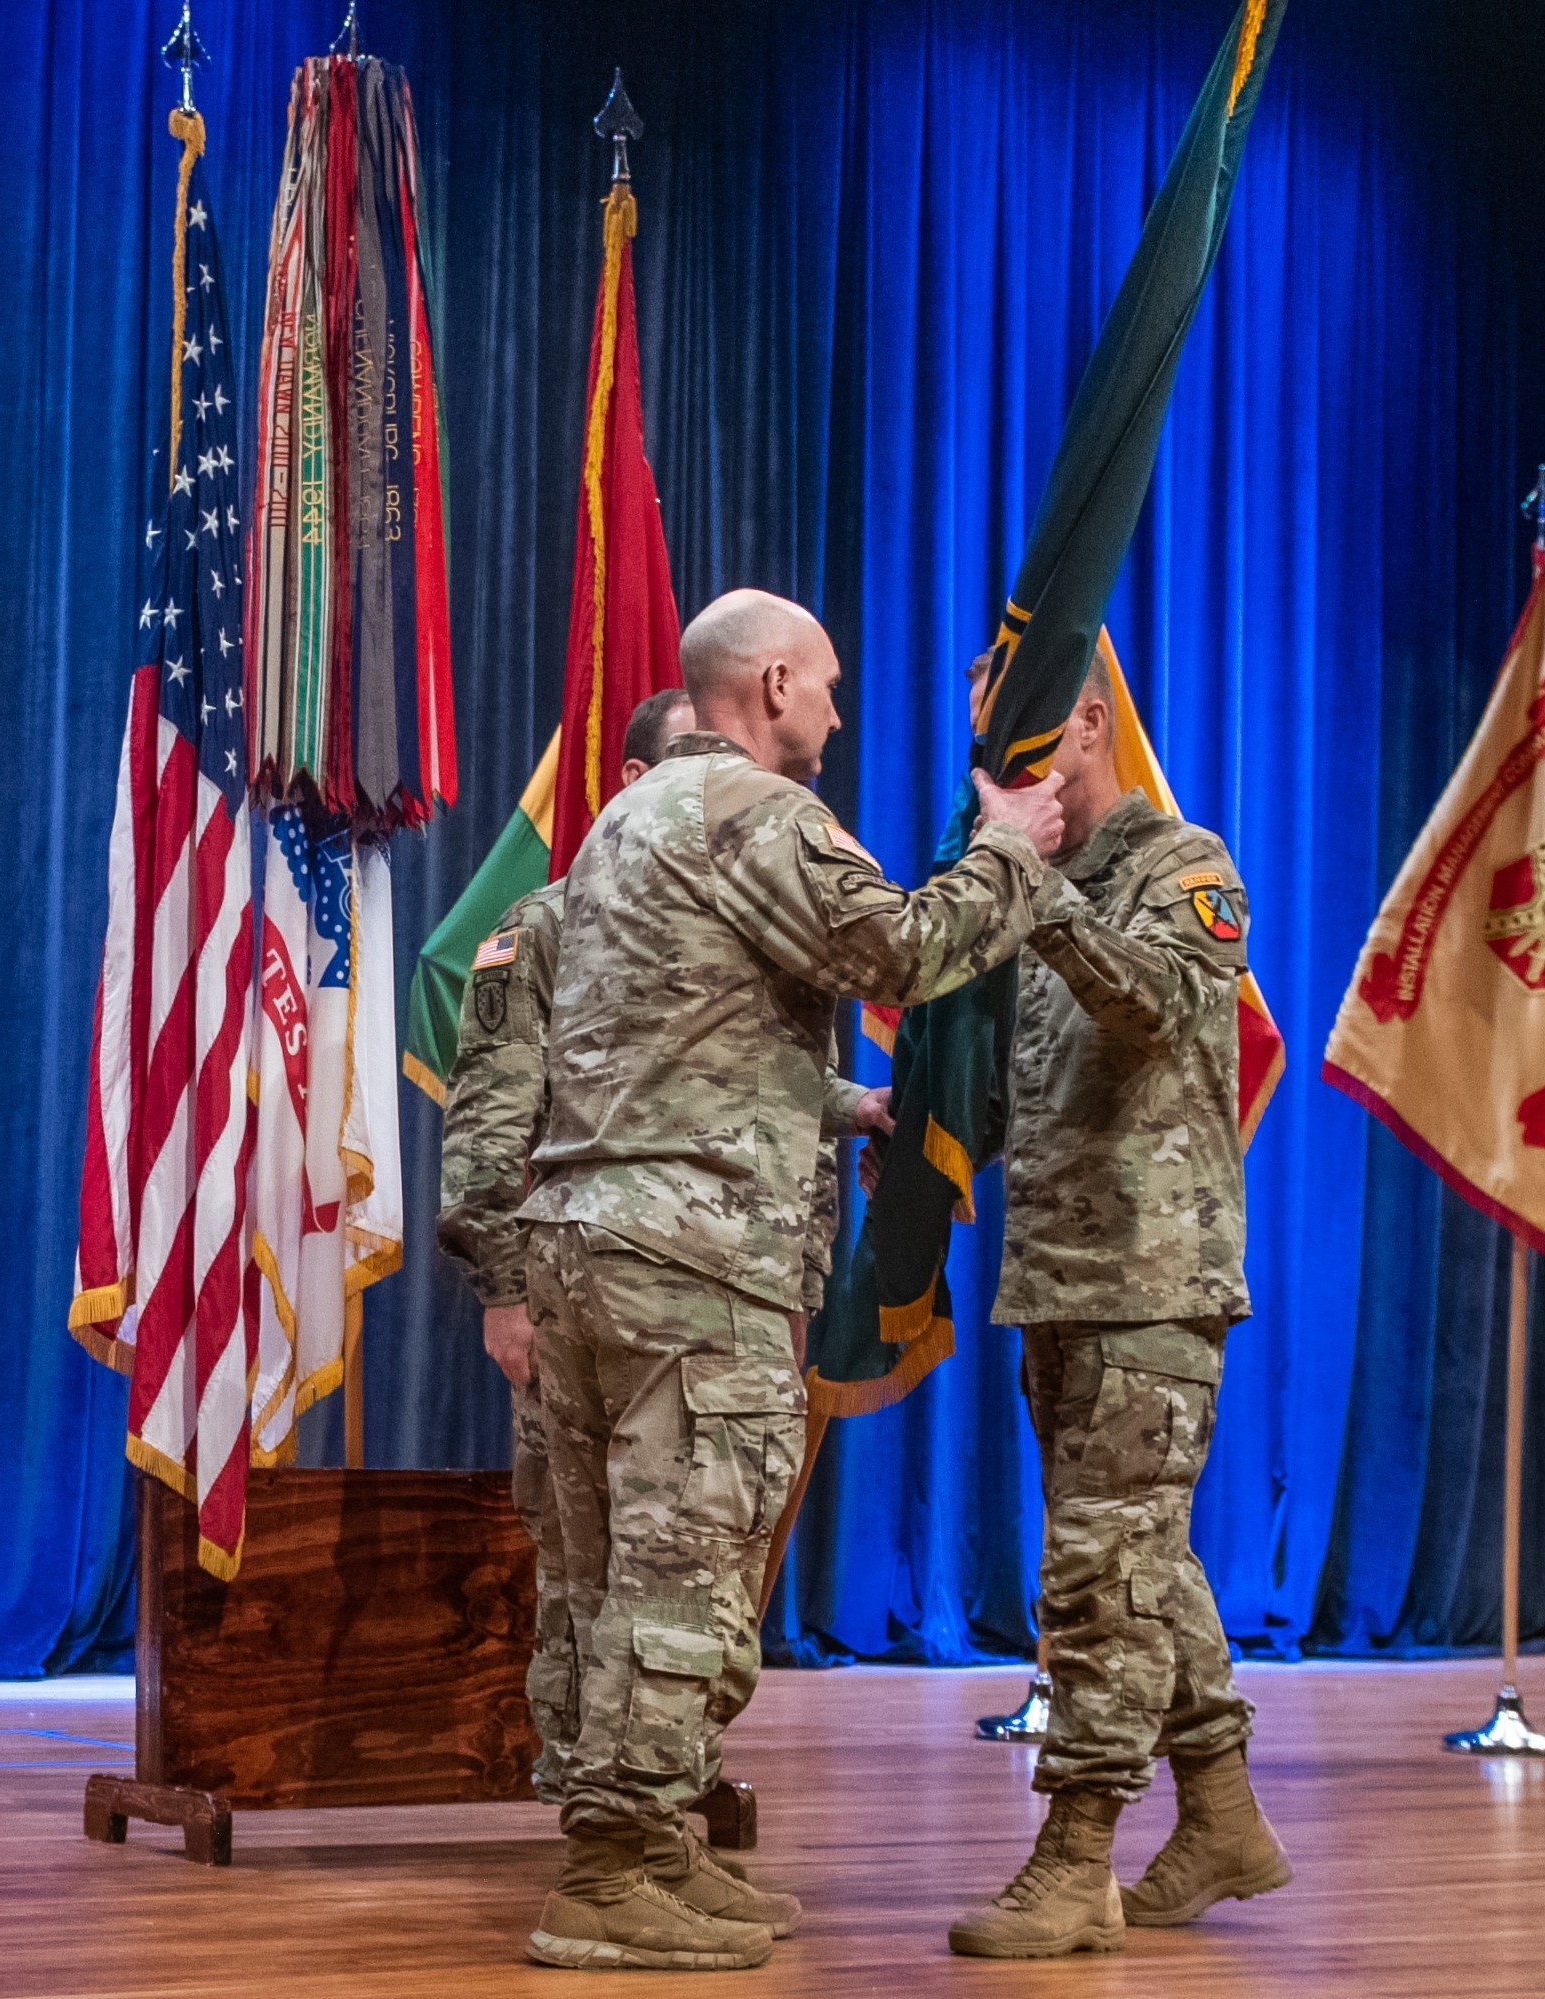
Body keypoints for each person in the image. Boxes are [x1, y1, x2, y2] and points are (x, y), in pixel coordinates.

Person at [518, 588, 1069, 1973]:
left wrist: (842, 1106)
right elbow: (899, 947)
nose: (834, 709)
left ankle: (651, 1845)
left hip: (590, 1236)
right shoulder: (755, 813)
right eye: (822, 685)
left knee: (603, 1572)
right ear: (768, 682)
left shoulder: (622, 821)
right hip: (689, 1258)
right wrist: (1006, 850)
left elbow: (668, 1033)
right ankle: (604, 1873)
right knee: (682, 1566)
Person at [940, 646, 1289, 1959]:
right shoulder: (1046, 883)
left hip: (1151, 1282)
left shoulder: (1185, 866)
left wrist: (1035, 893)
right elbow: (1021, 1082)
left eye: (1022, 724)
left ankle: (1075, 1855)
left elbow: (1158, 1006)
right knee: (1145, 1564)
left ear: (1086, 723)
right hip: (1056, 1285)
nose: (1002, 750)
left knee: (1096, 1578)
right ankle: (1222, 1815)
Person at [435, 685, 695, 1808]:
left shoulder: (734, 922)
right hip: (568, 1293)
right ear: (635, 782)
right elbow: (492, 1121)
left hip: (698, 1299)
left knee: (687, 1567)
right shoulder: (539, 927)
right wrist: (502, 1288)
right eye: (689, 762)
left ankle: (667, 1801)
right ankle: (592, 1807)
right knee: (585, 1568)